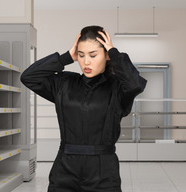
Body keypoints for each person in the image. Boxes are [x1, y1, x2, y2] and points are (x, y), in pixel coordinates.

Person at [20, 26, 147, 192]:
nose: (86, 62)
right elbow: (28, 77)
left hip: (103, 172)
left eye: (93, 55)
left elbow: (136, 84)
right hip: (65, 169)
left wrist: (114, 53)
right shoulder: (64, 84)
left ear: (106, 55)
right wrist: (65, 57)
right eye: (81, 55)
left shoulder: (118, 89)